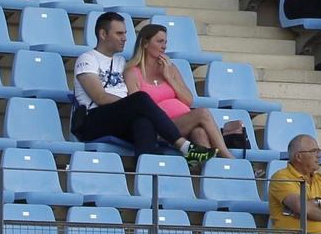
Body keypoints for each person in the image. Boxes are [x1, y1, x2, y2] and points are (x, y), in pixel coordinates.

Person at [70, 12, 214, 163]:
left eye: (125, 33)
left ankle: (144, 170)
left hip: (119, 120)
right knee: (140, 99)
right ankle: (184, 146)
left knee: (144, 123)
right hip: (93, 120)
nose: (125, 38)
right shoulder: (87, 59)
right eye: (119, 33)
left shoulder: (121, 62)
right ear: (103, 34)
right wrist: (137, 105)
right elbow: (100, 97)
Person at [124, 23, 233, 159]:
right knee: (203, 112)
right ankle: (227, 156)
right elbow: (137, 105)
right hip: (161, 127)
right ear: (145, 44)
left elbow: (188, 100)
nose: (164, 46)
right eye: (160, 41)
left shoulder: (170, 68)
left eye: (165, 42)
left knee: (200, 134)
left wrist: (168, 77)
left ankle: (211, 170)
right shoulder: (132, 72)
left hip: (185, 124)